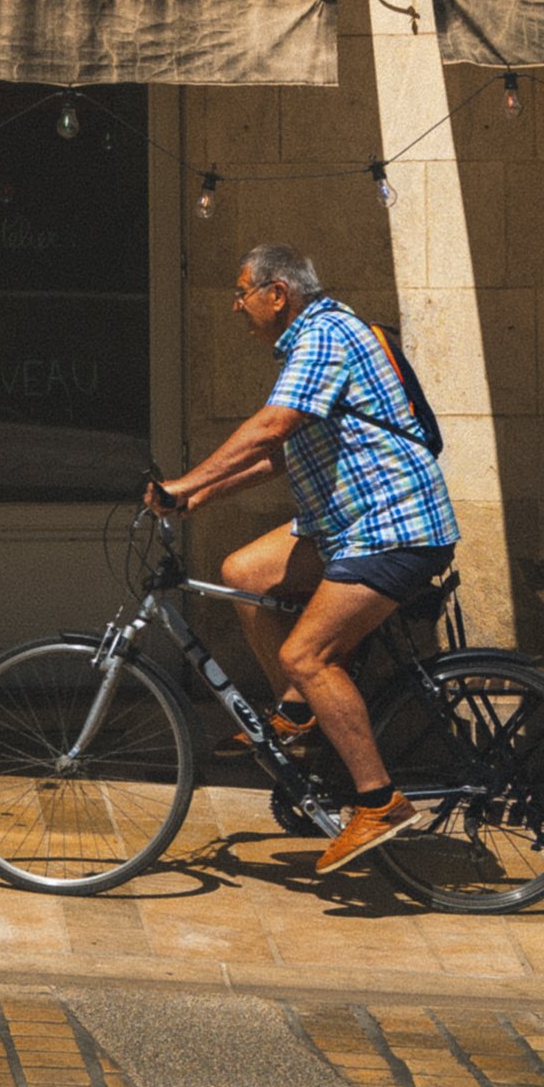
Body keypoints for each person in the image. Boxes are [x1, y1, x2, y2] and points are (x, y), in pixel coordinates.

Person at [150, 243, 457, 876]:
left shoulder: (324, 336)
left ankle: (379, 802)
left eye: (242, 292)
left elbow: (271, 428)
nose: (237, 305)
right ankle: (295, 715)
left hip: (393, 526)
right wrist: (199, 498)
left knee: (304, 653)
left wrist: (182, 481)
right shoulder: (310, 340)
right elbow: (282, 454)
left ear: (278, 293)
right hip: (345, 524)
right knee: (243, 573)